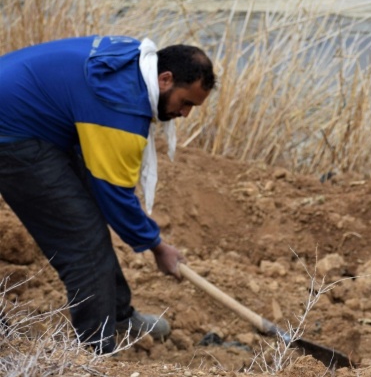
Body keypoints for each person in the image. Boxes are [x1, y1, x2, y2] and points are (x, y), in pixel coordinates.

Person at [0, 35, 216, 353]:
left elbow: (103, 188)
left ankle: (118, 316)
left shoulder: (135, 61)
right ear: (165, 79)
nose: (185, 114)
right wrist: (157, 246)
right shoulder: (122, 105)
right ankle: (94, 351)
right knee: (83, 240)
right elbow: (115, 196)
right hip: (12, 134)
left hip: (35, 121)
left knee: (85, 216)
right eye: (185, 102)